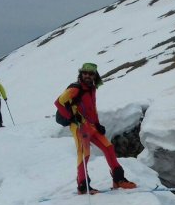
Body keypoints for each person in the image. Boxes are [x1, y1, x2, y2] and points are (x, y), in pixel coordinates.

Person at [53, 62, 137, 194]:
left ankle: (119, 179)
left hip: (91, 125)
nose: (87, 75)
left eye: (90, 74)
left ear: (94, 76)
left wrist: (97, 124)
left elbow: (92, 108)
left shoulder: (92, 88)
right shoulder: (75, 88)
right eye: (84, 73)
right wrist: (70, 117)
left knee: (108, 147)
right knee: (84, 154)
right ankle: (83, 186)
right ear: (81, 74)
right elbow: (58, 102)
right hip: (79, 126)